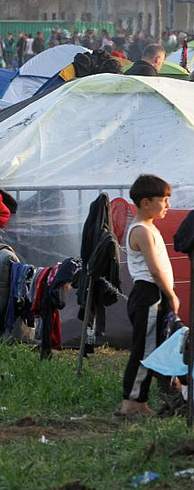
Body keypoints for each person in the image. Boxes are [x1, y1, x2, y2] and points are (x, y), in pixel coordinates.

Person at [119, 174, 178, 417]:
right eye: (163, 200)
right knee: (144, 350)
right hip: (149, 295)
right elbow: (154, 269)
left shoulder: (150, 228)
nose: (168, 206)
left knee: (152, 347)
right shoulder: (141, 231)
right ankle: (131, 403)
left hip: (154, 295)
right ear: (145, 202)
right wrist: (171, 294)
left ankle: (140, 402)